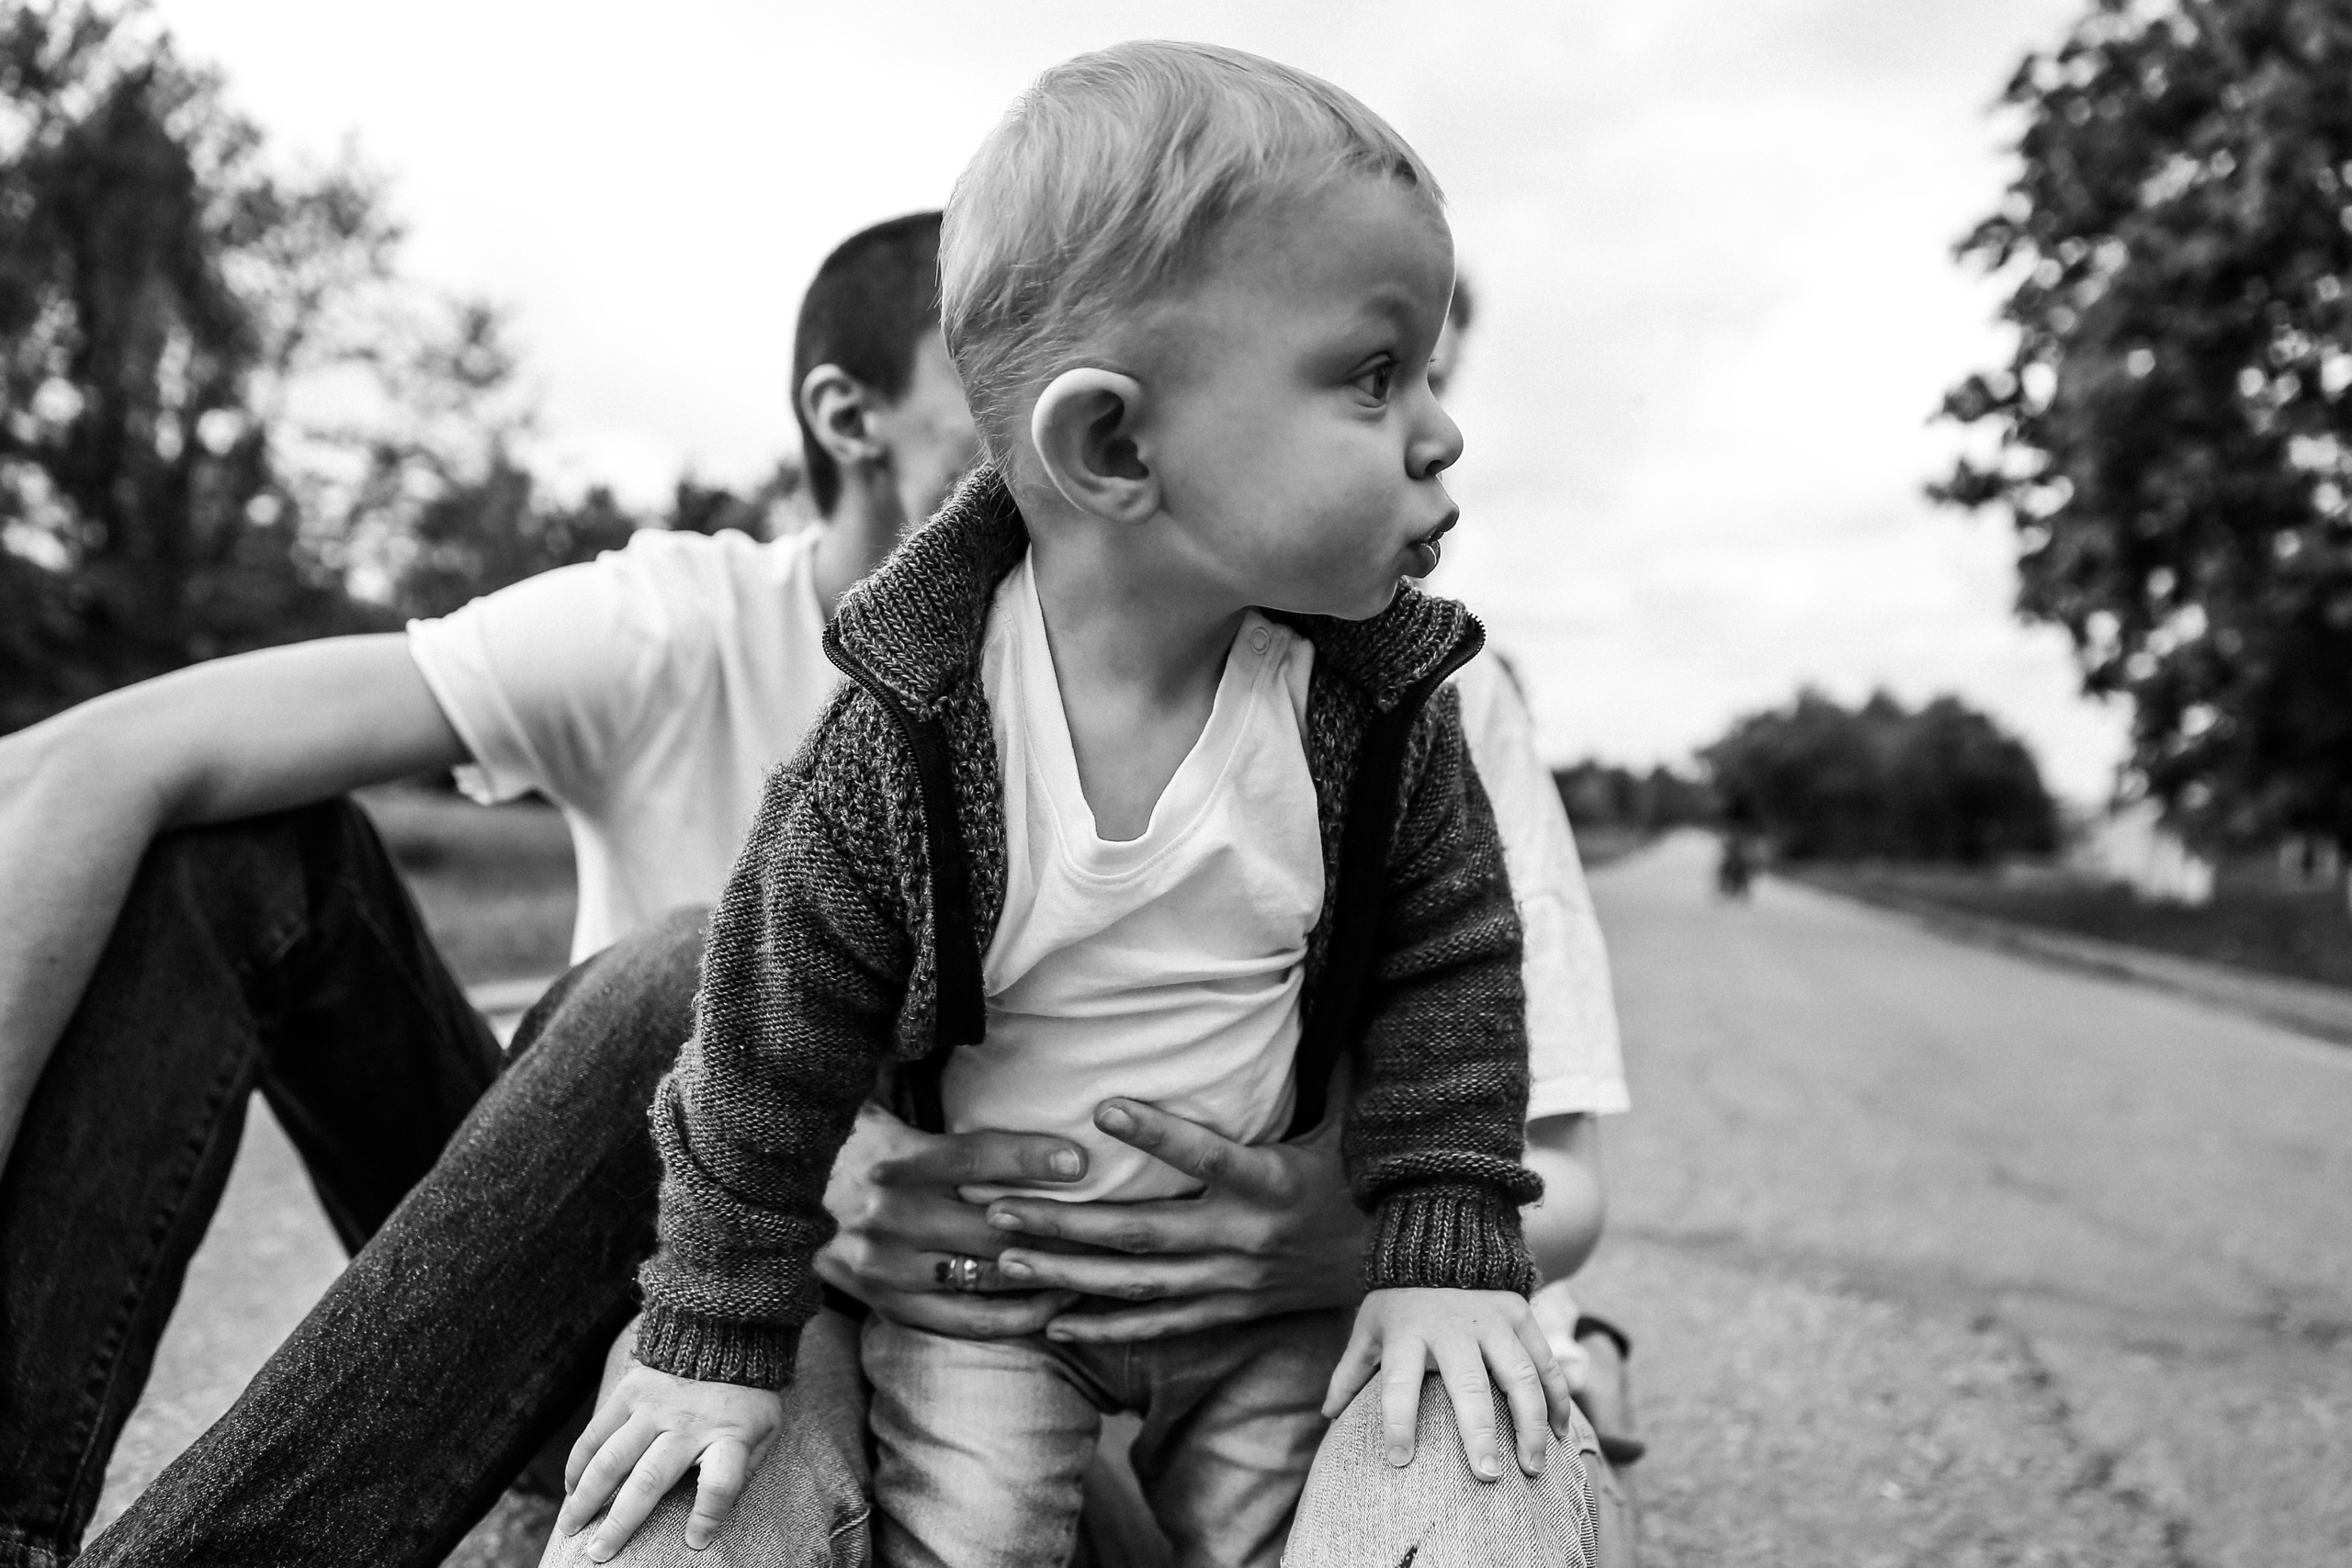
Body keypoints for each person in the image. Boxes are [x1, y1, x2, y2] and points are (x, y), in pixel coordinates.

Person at [7, 215, 1618, 1568]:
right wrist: (798, 1200)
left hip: (1077, 1344)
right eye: (993, 385)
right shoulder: (691, 625)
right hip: (658, 1275)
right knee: (625, 966)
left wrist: (1348, 1240)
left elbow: (1543, 1147)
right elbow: (90, 762)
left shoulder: (1392, 696)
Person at [556, 43, 1589, 1568]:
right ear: (1114, 447)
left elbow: (1453, 970)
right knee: (966, 1537)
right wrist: (710, 1326)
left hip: (1269, 1319)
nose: (1440, 434)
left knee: (1266, 1531)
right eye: (1377, 377)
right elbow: (767, 1034)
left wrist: (1441, 1246)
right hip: (989, 1309)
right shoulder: (908, 739)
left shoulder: (1377, 715)